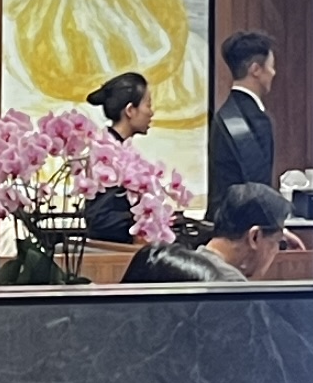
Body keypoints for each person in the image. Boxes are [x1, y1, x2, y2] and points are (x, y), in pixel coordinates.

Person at [130, 182, 290, 284]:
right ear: (254, 237)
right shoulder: (230, 287)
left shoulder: (181, 265)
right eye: (278, 242)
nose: (276, 251)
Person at [84, 71, 155, 244]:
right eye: (148, 105)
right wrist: (139, 219)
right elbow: (100, 220)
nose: (151, 113)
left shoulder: (122, 148)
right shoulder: (104, 154)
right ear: (130, 110)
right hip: (113, 252)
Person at [210, 33, 278, 204]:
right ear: (255, 70)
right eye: (271, 66)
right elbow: (258, 190)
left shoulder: (224, 114)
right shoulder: (255, 120)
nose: (273, 73)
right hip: (242, 220)